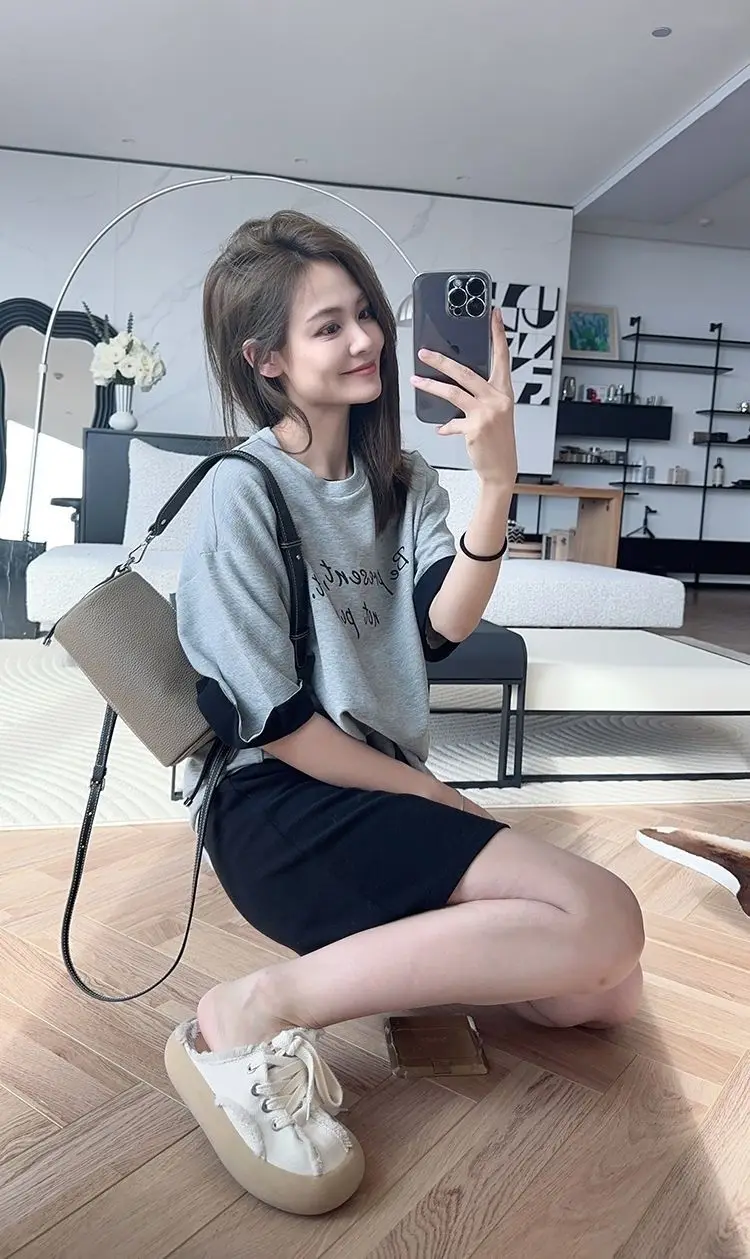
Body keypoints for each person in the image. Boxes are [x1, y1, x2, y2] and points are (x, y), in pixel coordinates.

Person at [166, 210, 645, 1216]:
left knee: (599, 993)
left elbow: (439, 626)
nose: (366, 339)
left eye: (366, 315)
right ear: (266, 361)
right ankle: (252, 1007)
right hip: (279, 806)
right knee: (608, 917)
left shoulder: (403, 480)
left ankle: (393, 961)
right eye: (328, 326)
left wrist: (498, 479)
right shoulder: (241, 492)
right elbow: (279, 725)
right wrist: (435, 794)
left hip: (380, 790)